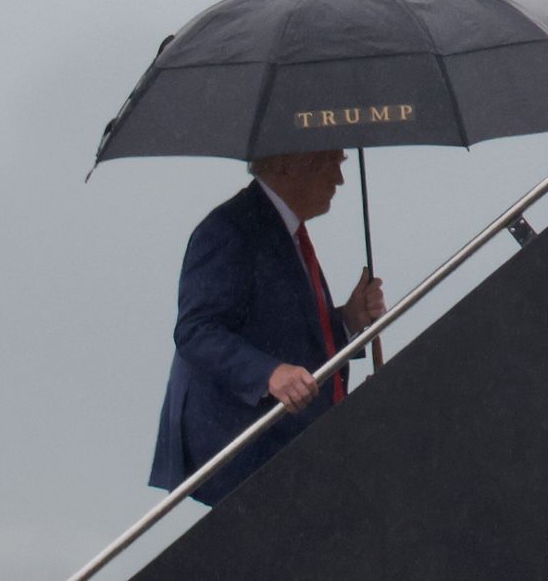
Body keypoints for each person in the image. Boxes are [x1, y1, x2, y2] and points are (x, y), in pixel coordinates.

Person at [148, 149, 386, 505]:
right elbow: (195, 331)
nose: (339, 180)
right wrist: (268, 374)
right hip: (244, 451)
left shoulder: (284, 230)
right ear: (288, 164)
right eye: (331, 163)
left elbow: (290, 337)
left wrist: (349, 321)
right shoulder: (230, 228)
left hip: (286, 452)